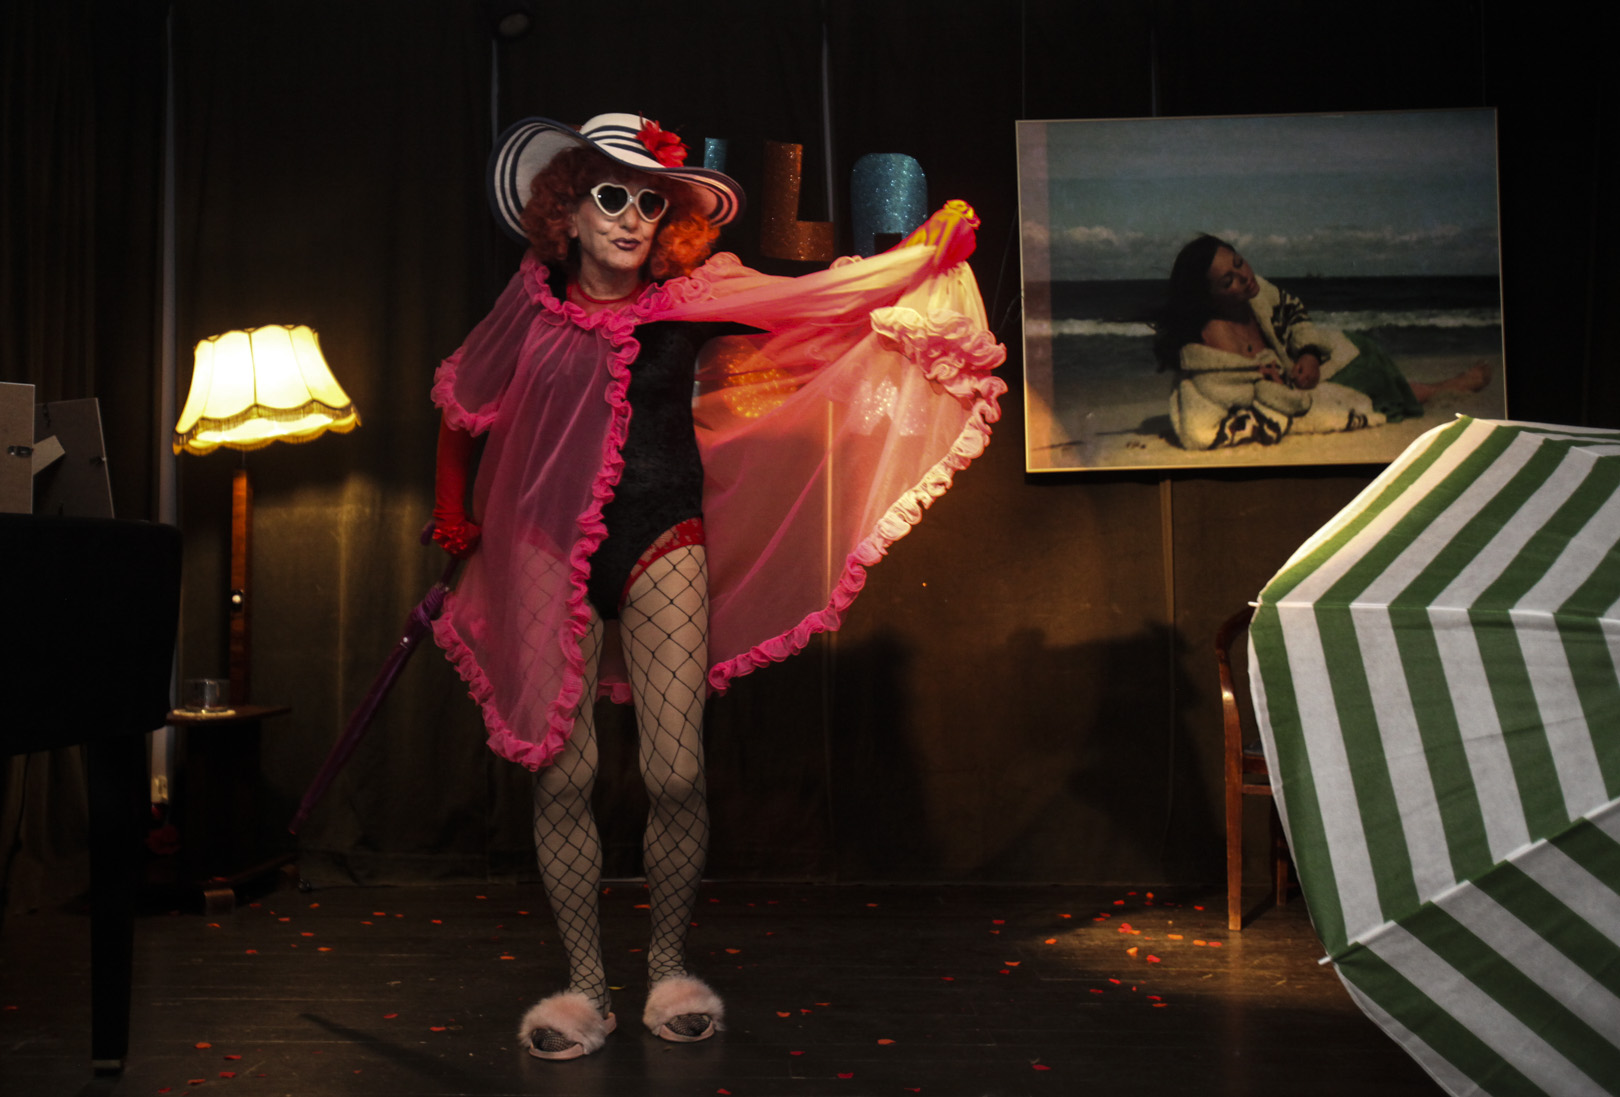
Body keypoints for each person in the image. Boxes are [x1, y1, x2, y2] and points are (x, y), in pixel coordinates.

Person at [428, 113, 1005, 1061]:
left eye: (650, 202)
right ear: (567, 210)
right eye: (611, 195)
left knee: (677, 772)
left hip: (665, 536)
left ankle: (667, 970)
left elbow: (821, 298)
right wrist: (453, 512)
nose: (632, 216)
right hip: (539, 549)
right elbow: (462, 403)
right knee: (564, 774)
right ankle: (583, 988)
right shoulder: (528, 307)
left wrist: (922, 254)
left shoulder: (691, 299)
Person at [1156, 234, 1489, 449]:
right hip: (1298, 394)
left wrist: (1310, 354)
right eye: (1228, 281)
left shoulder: (1260, 293)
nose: (1244, 277)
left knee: (1366, 354)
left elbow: (1295, 314)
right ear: (1209, 298)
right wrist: (1279, 388)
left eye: (1239, 262)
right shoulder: (1216, 335)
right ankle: (1448, 386)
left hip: (1304, 367)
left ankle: (1440, 387)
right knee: (1371, 393)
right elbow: (1230, 401)